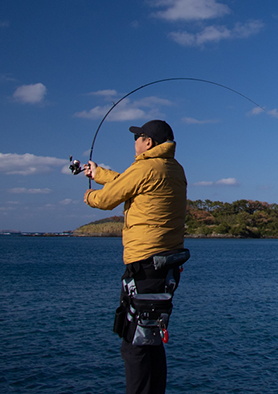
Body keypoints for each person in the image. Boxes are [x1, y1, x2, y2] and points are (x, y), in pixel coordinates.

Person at [83, 119, 188, 394]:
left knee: (134, 343)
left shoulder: (143, 167)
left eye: (137, 137)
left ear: (148, 142)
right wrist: (99, 173)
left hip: (145, 264)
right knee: (150, 334)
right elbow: (129, 182)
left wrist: (89, 196)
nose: (135, 142)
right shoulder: (174, 169)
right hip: (166, 266)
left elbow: (109, 199)